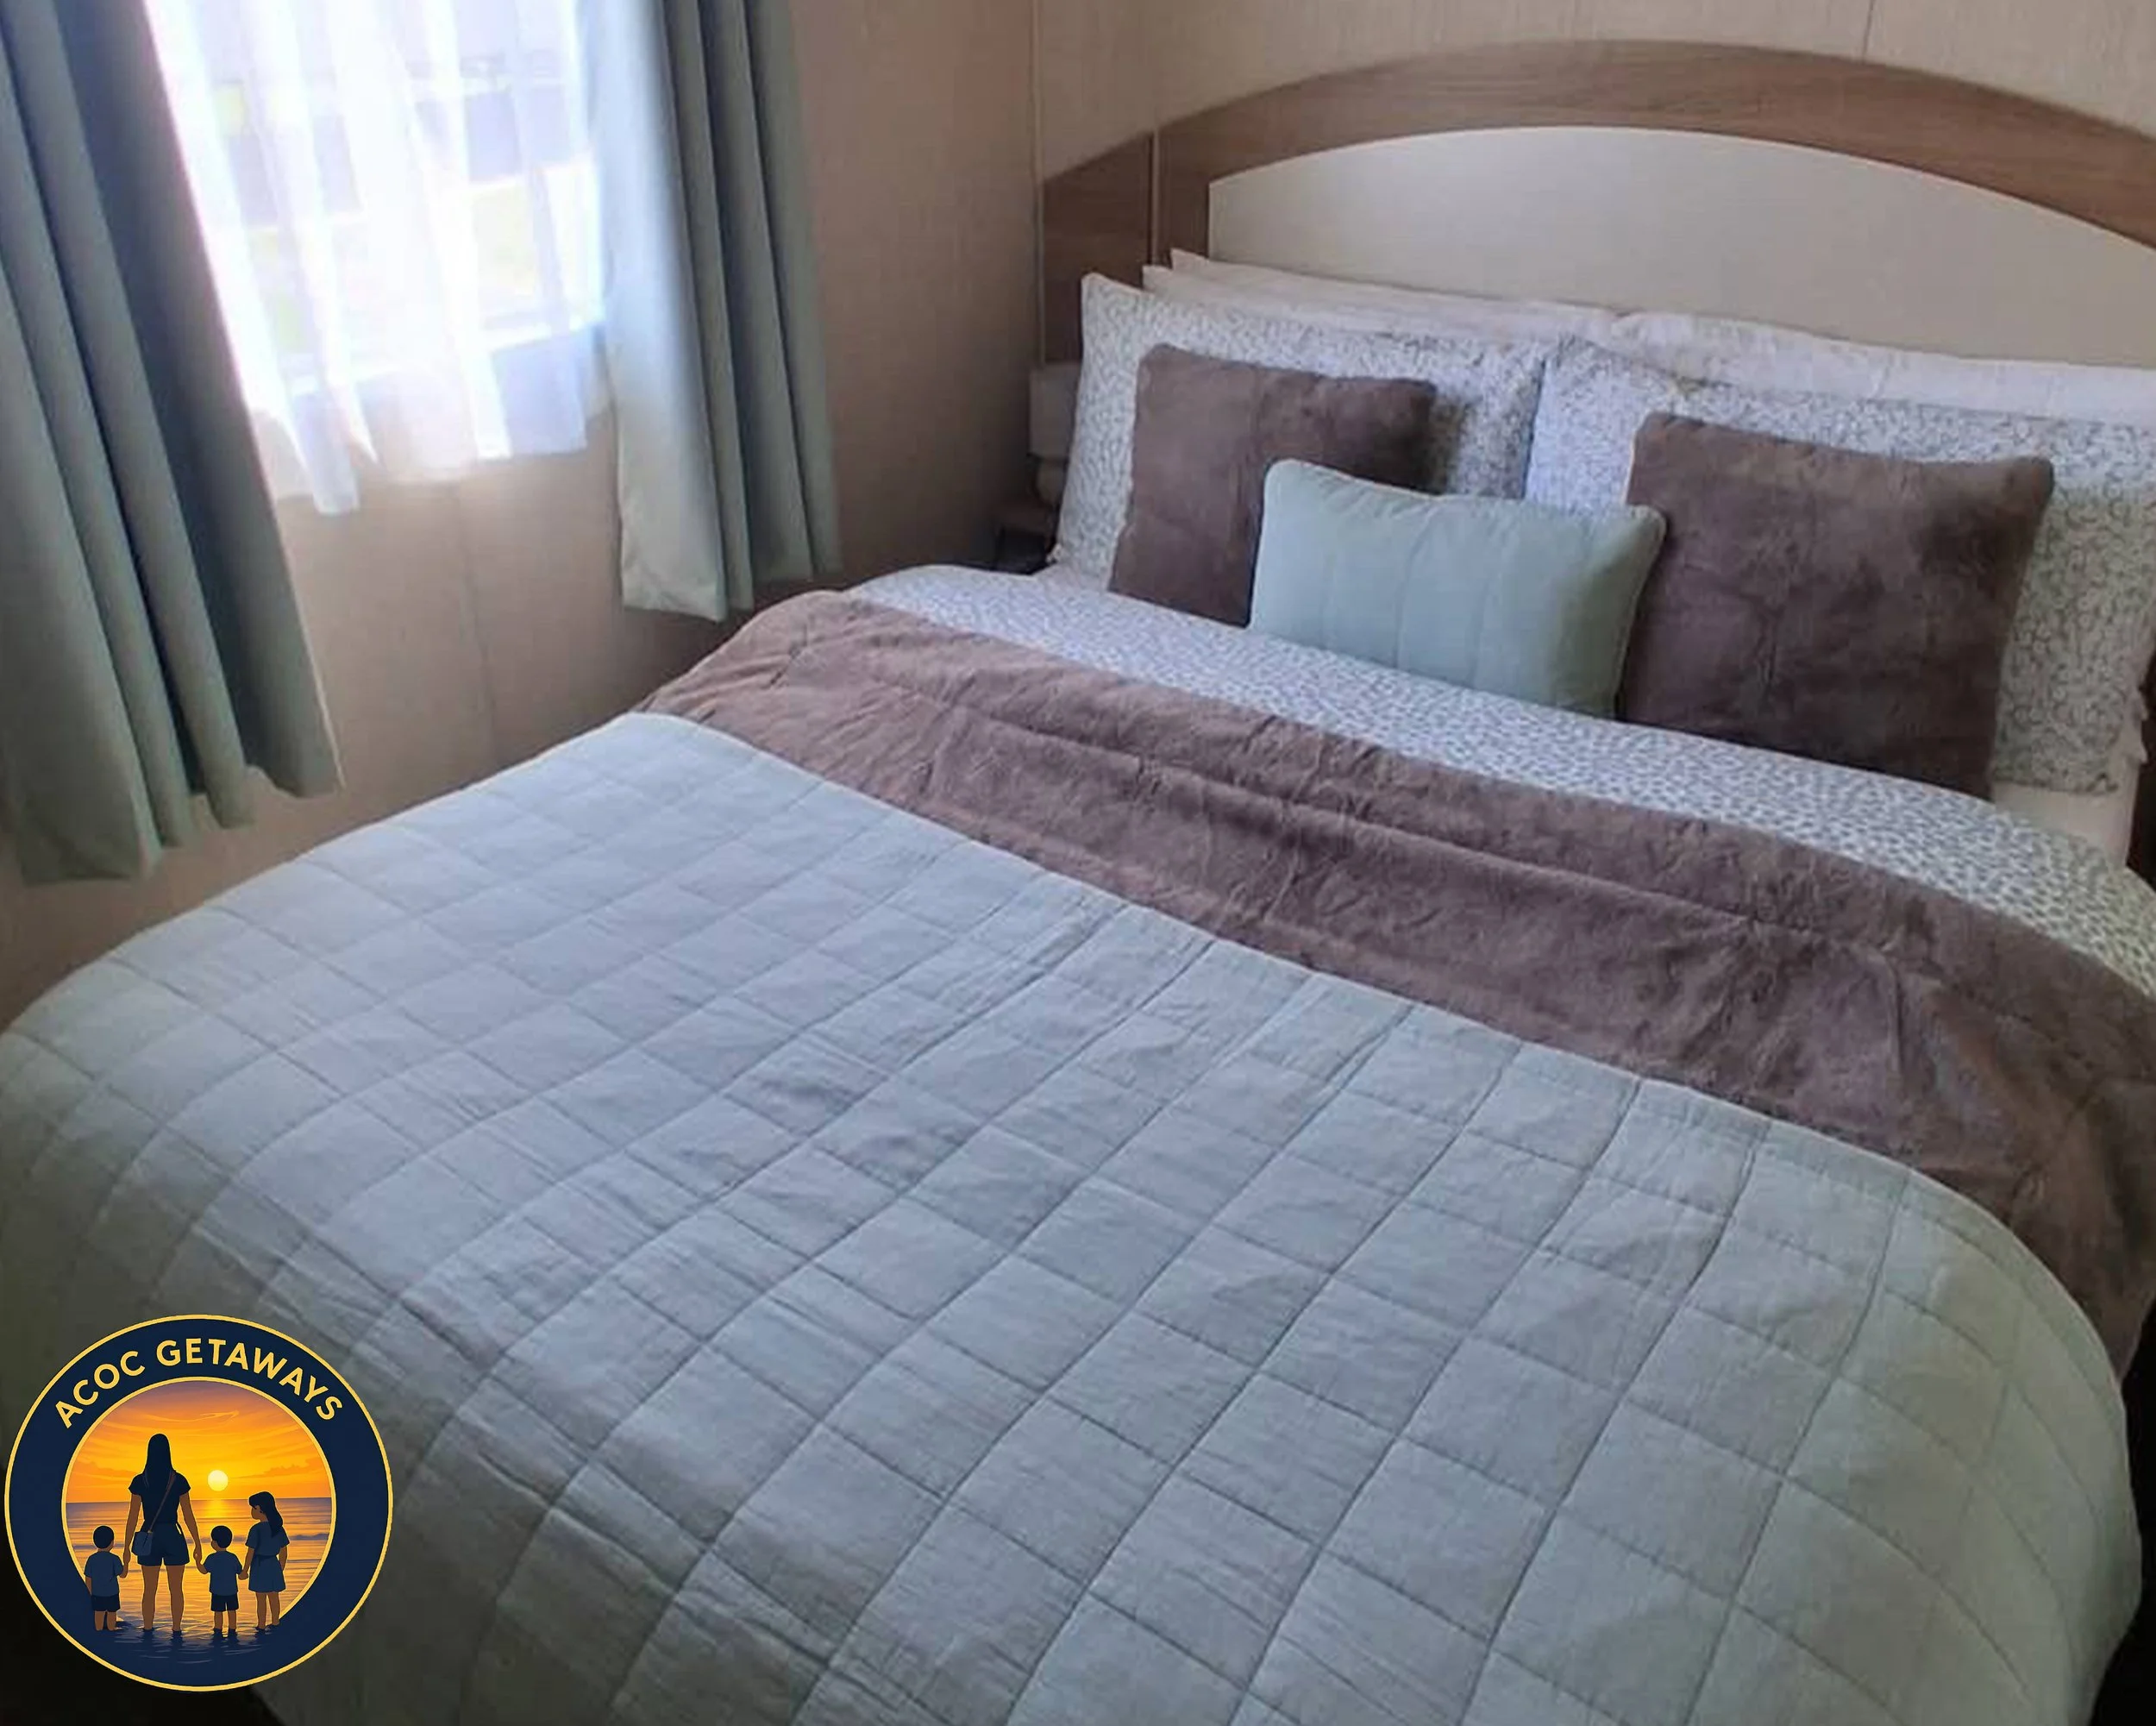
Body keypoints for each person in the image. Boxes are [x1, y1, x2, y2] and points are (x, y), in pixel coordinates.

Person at [119, 1434, 200, 1633]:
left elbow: (133, 1516)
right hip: (173, 1535)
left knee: (149, 1590)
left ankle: (147, 1628)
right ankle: (177, 1629)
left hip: (149, 1536)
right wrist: (197, 1542)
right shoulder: (178, 1480)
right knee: (176, 1589)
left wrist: (127, 1547)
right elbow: (188, 1514)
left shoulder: (140, 1481)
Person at [243, 1491, 287, 1629]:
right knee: (274, 1598)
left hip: (260, 1566)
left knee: (261, 1599)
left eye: (253, 1508)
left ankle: (261, 1625)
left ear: (260, 1509)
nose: (251, 1511)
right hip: (273, 1565)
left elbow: (250, 1553)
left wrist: (245, 1571)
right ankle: (276, 1622)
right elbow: (284, 1551)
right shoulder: (278, 1528)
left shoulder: (256, 1529)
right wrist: (280, 1567)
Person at [197, 1526, 242, 1636]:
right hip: (231, 1591)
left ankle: (218, 1629)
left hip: (217, 1591)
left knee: (218, 1612)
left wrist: (198, 1561)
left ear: (215, 1543)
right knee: (232, 1611)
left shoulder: (211, 1558)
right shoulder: (233, 1557)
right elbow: (240, 1571)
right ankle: (232, 1629)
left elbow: (204, 1570)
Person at [83, 1526, 124, 1631]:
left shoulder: (91, 1559)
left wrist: (90, 1593)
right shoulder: (115, 1559)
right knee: (112, 1613)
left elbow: (88, 1578)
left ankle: (99, 1629)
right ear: (112, 1543)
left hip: (97, 1594)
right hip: (112, 1593)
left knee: (99, 1613)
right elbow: (122, 1574)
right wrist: (126, 1564)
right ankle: (111, 1628)